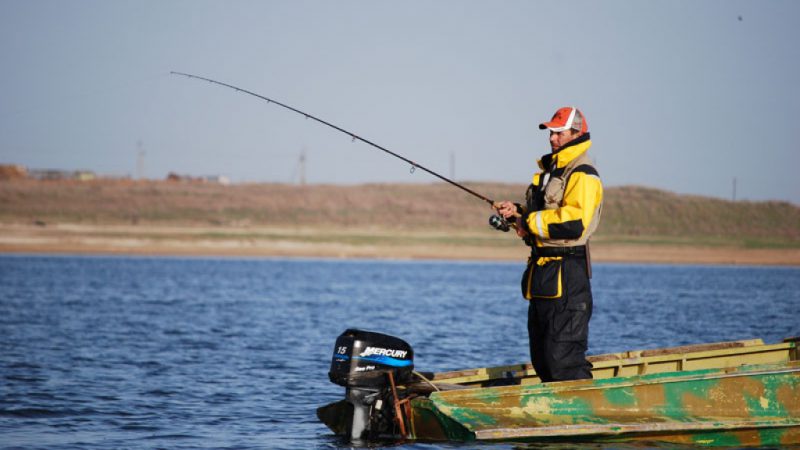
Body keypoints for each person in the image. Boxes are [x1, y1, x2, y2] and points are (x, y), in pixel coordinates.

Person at [495, 106, 603, 382]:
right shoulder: (551, 173)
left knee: (563, 362)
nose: (552, 138)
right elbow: (541, 216)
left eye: (558, 132)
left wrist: (528, 220)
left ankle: (584, 417)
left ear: (577, 133)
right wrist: (517, 212)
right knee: (543, 360)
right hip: (543, 277)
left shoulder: (583, 174)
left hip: (568, 276)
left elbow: (573, 222)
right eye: (551, 133)